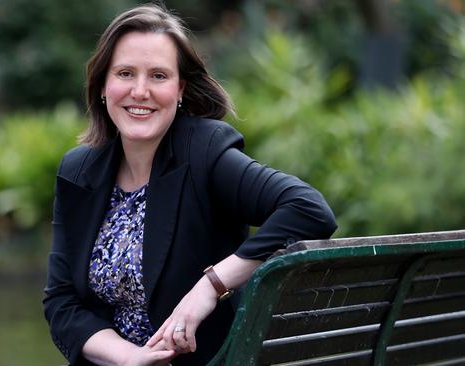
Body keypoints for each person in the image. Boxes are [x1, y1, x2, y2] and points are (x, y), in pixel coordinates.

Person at [43, 4, 337, 365]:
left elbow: (309, 209)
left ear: (180, 89)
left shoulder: (204, 152)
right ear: (103, 85)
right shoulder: (78, 171)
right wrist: (130, 358)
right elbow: (62, 302)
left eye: (158, 76)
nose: (140, 90)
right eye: (125, 73)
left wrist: (211, 286)